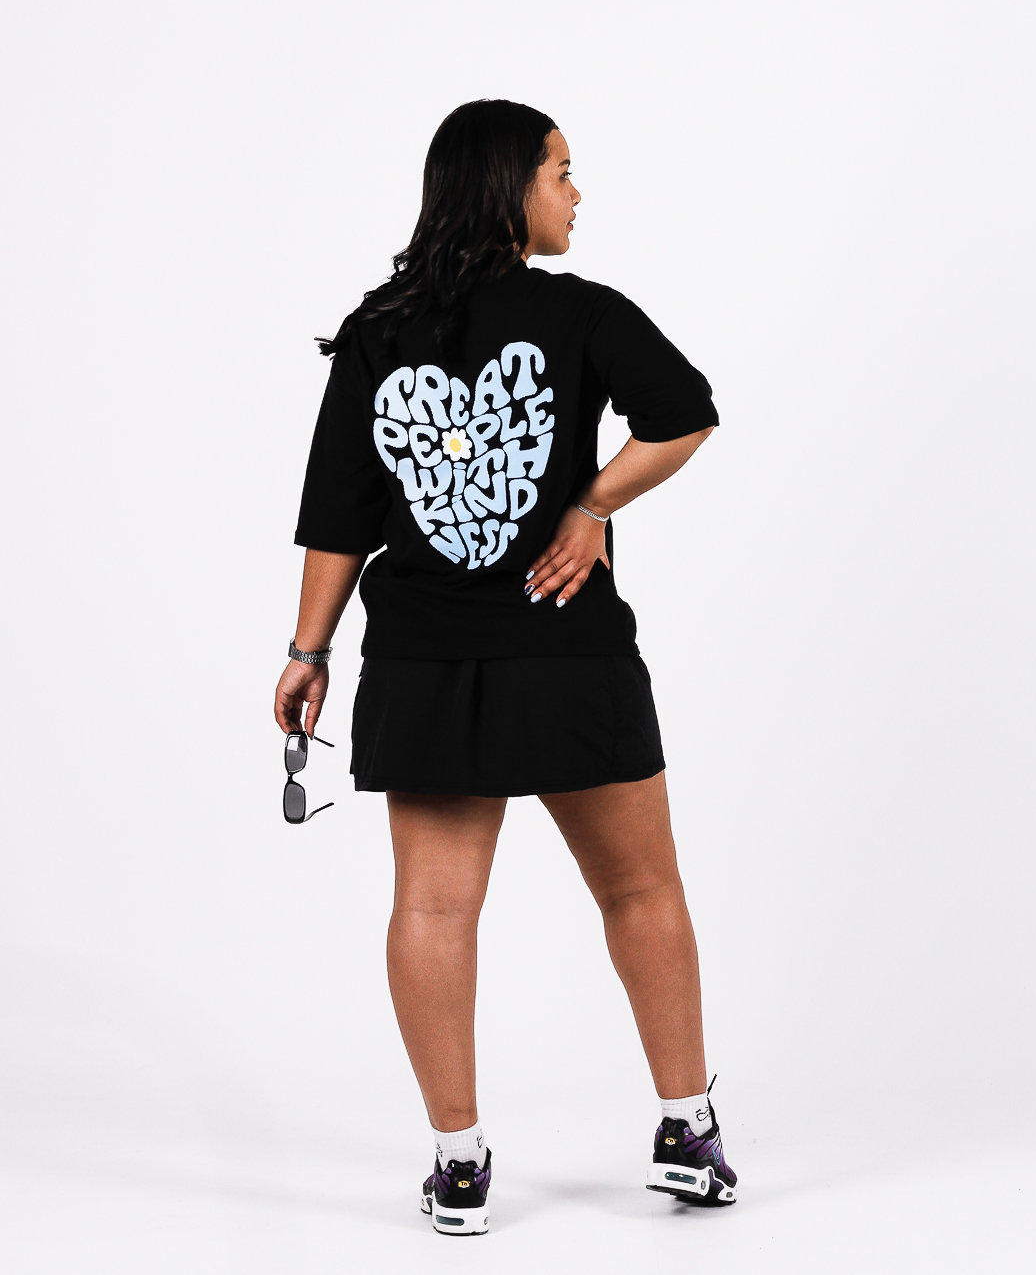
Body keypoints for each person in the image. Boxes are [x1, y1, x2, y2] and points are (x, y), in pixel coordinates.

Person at [274, 99, 737, 1235]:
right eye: (562, 172)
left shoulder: (379, 328)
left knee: (432, 906)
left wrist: (307, 651)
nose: (577, 194)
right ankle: (688, 1131)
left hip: (424, 654)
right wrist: (589, 506)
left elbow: (339, 513)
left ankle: (458, 1163)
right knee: (641, 889)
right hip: (564, 641)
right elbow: (684, 413)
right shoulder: (578, 313)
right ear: (508, 187)